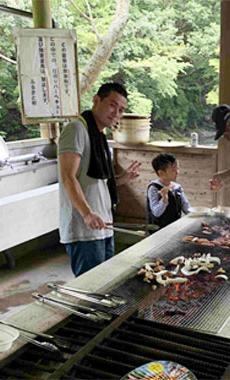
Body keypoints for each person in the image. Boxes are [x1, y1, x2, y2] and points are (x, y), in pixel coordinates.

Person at [58, 82, 141, 277]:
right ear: (96, 100)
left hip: (103, 225)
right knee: (90, 289)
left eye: (121, 110)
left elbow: (96, 181)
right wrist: (87, 213)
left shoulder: (100, 135)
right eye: (112, 105)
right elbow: (67, 177)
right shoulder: (77, 129)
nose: (116, 113)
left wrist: (121, 179)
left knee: (104, 285)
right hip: (84, 228)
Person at [146, 152, 191, 230]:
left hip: (174, 228)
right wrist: (164, 200)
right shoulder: (154, 188)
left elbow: (187, 208)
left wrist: (199, 215)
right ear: (161, 173)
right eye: (173, 170)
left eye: (178, 169)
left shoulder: (177, 187)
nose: (177, 172)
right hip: (157, 230)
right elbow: (156, 213)